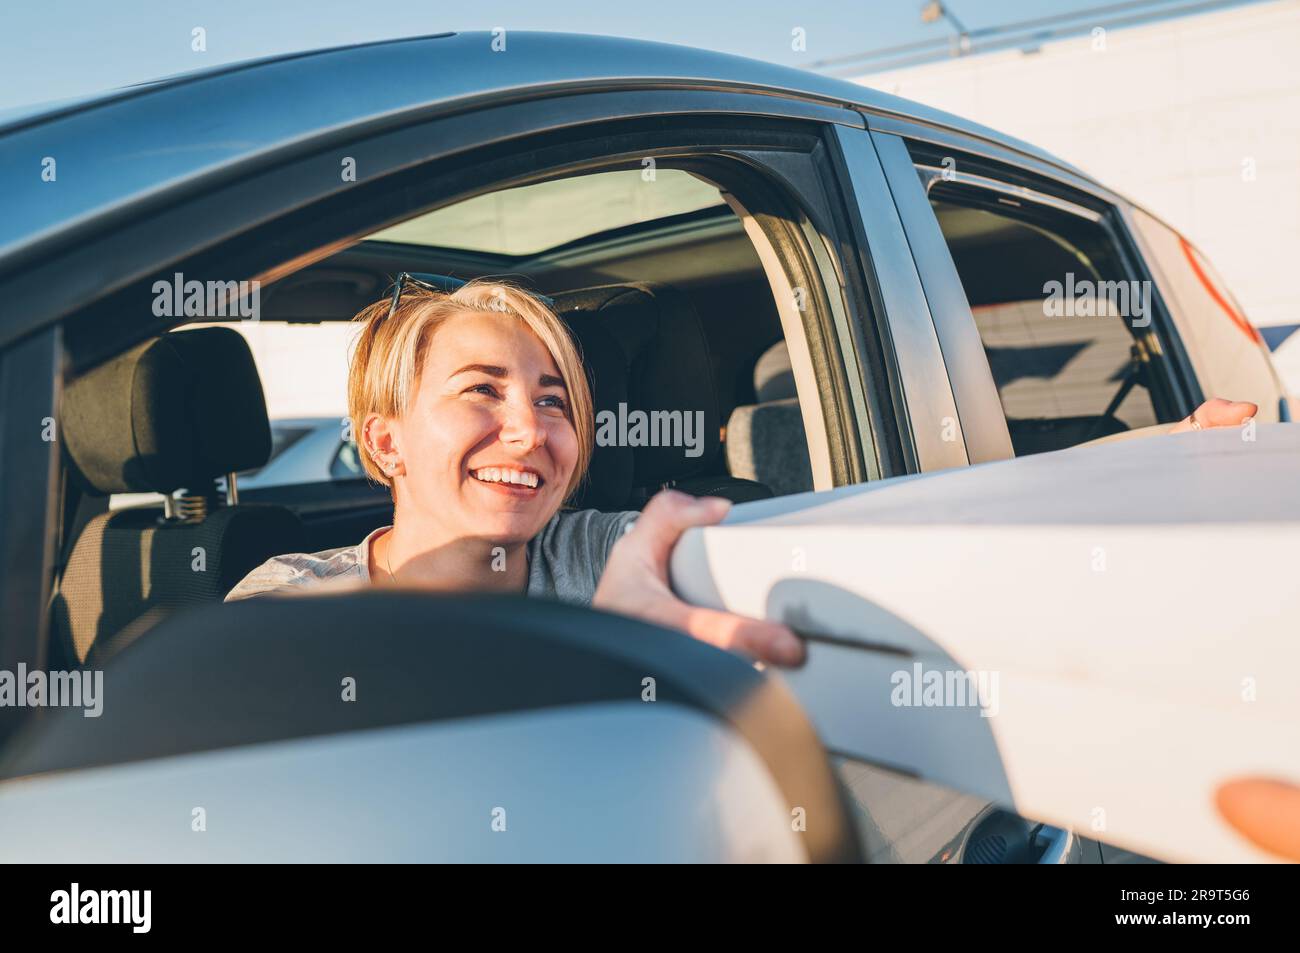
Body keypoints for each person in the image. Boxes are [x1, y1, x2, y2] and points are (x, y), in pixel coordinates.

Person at [226, 278, 1256, 667]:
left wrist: (1147, 453)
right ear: (387, 442)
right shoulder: (287, 603)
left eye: (553, 401)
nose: (530, 431)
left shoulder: (612, 549)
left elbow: (889, 514)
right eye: (482, 390)